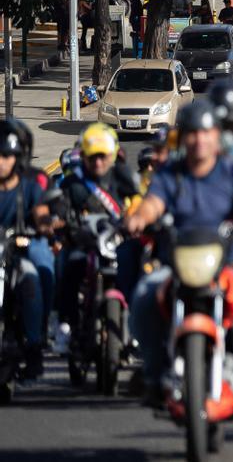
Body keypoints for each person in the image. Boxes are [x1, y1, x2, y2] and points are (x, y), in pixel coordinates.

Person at [125, 101, 233, 414]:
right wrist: (139, 217)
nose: (199, 140)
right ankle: (153, 373)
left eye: (206, 133)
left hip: (228, 263)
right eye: (192, 134)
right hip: (175, 263)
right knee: (143, 296)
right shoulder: (171, 174)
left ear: (216, 136)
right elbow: (152, 203)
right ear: (183, 137)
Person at [51, 124, 143, 355]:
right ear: (83, 157)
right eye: (93, 157)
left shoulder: (123, 175)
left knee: (140, 270)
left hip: (117, 242)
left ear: (111, 155)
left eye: (103, 157)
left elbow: (140, 202)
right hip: (84, 243)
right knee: (67, 267)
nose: (98, 163)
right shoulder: (72, 182)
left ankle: (135, 326)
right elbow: (60, 207)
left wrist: (138, 219)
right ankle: (66, 326)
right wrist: (59, 221)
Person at [0, 129, 49, 379]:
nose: (1, 161)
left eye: (7, 156)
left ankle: (33, 347)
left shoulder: (28, 187)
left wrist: (44, 224)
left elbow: (41, 211)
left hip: (16, 256)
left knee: (31, 281)